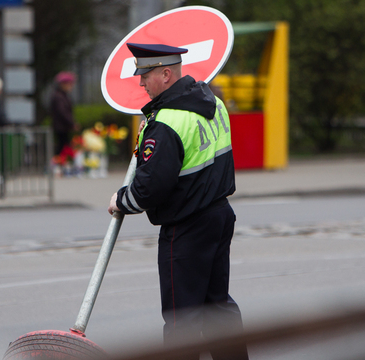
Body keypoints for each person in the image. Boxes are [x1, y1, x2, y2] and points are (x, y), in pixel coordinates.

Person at [107, 43, 248, 360]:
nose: (141, 83)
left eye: (145, 76)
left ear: (166, 74)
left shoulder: (167, 121)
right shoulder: (212, 101)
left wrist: (121, 200)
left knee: (181, 319)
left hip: (186, 227)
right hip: (219, 214)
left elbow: (150, 187)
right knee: (217, 307)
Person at [50, 71, 79, 156]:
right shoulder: (59, 96)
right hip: (61, 127)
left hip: (63, 127)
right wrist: (72, 123)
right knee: (63, 147)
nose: (71, 87)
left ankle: (60, 163)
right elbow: (62, 112)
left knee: (63, 146)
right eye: (70, 84)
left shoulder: (62, 95)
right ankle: (58, 164)